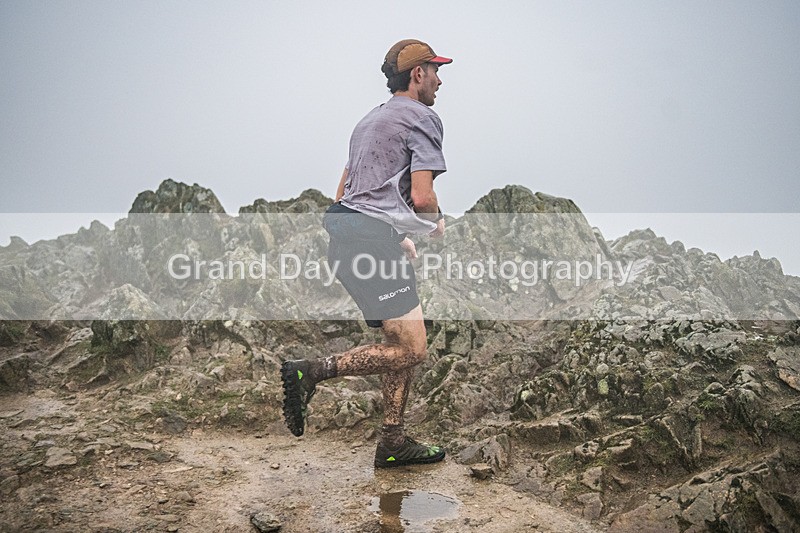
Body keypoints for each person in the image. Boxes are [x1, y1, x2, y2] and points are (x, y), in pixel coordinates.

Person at [280, 39, 453, 468]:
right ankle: (311, 370)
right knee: (413, 349)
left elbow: (347, 192)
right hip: (368, 240)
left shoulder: (368, 121)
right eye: (435, 71)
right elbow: (422, 196)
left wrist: (393, 235)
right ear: (418, 74)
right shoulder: (423, 117)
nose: (440, 80)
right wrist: (433, 223)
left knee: (399, 339)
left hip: (346, 234)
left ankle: (392, 442)